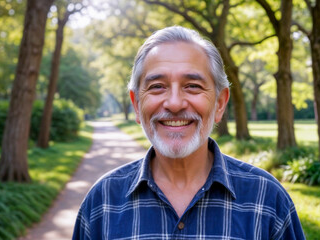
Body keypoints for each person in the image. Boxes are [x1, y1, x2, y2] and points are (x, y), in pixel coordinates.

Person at [72, 26, 305, 240]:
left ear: (220, 103)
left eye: (192, 86)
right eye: (157, 87)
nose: (174, 104)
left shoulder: (268, 199)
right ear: (136, 104)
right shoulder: (101, 202)